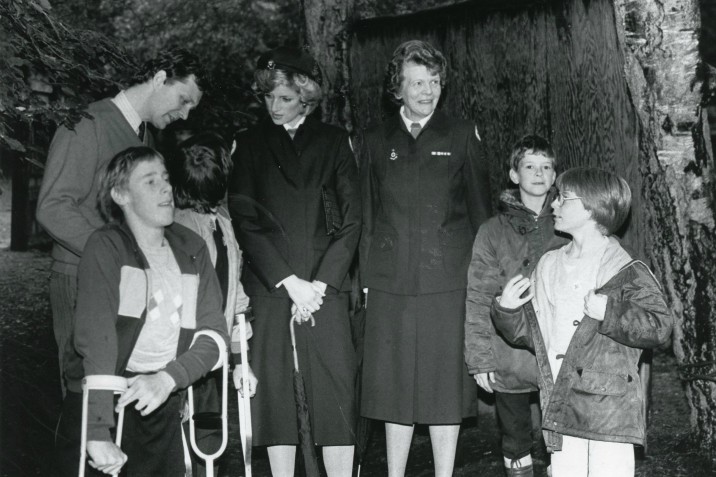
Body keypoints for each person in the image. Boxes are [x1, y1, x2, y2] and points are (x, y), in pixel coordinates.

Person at [357, 39, 492, 477]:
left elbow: (480, 214)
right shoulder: (375, 140)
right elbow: (366, 214)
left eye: (433, 81)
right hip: (390, 282)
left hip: (448, 283)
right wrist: (365, 277)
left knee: (442, 388)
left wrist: (483, 281)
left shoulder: (461, 134)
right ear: (398, 88)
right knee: (394, 386)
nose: (427, 90)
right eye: (417, 82)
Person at [37, 49, 207, 394]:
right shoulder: (87, 123)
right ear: (160, 78)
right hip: (81, 275)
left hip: (125, 280)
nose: (185, 113)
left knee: (118, 392)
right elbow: (53, 207)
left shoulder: (142, 137)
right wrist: (112, 254)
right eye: (183, 99)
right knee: (85, 395)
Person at [228, 47, 361, 477]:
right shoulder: (249, 144)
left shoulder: (333, 141)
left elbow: (353, 218)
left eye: (284, 98)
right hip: (271, 288)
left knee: (334, 393)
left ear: (305, 96)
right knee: (276, 401)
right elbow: (244, 220)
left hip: (327, 290)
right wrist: (289, 282)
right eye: (268, 98)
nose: (274, 106)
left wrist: (320, 285)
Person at [56, 146, 228, 476]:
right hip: (105, 398)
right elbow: (98, 339)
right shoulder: (108, 248)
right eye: (150, 181)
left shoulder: (192, 248)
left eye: (165, 178)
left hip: (163, 396)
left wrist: (168, 379)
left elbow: (214, 336)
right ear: (120, 194)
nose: (165, 187)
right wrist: (96, 432)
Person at [493, 167, 673, 477]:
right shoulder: (549, 265)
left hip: (608, 410)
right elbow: (533, 335)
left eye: (563, 198)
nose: (553, 205)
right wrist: (508, 311)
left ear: (592, 207)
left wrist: (612, 312)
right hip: (563, 403)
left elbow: (660, 327)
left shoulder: (625, 270)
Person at [465, 135, 568, 477]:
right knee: (515, 440)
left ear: (555, 176)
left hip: (561, 350)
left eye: (546, 167)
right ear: (514, 175)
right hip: (509, 351)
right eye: (529, 166)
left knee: (563, 439)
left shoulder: (569, 224)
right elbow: (479, 295)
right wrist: (480, 358)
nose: (538, 174)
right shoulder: (493, 231)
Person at [171, 132, 257, 475]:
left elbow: (234, 293)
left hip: (213, 357)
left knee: (208, 441)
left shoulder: (222, 223)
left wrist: (240, 360)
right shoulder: (177, 227)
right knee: (178, 449)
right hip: (180, 359)